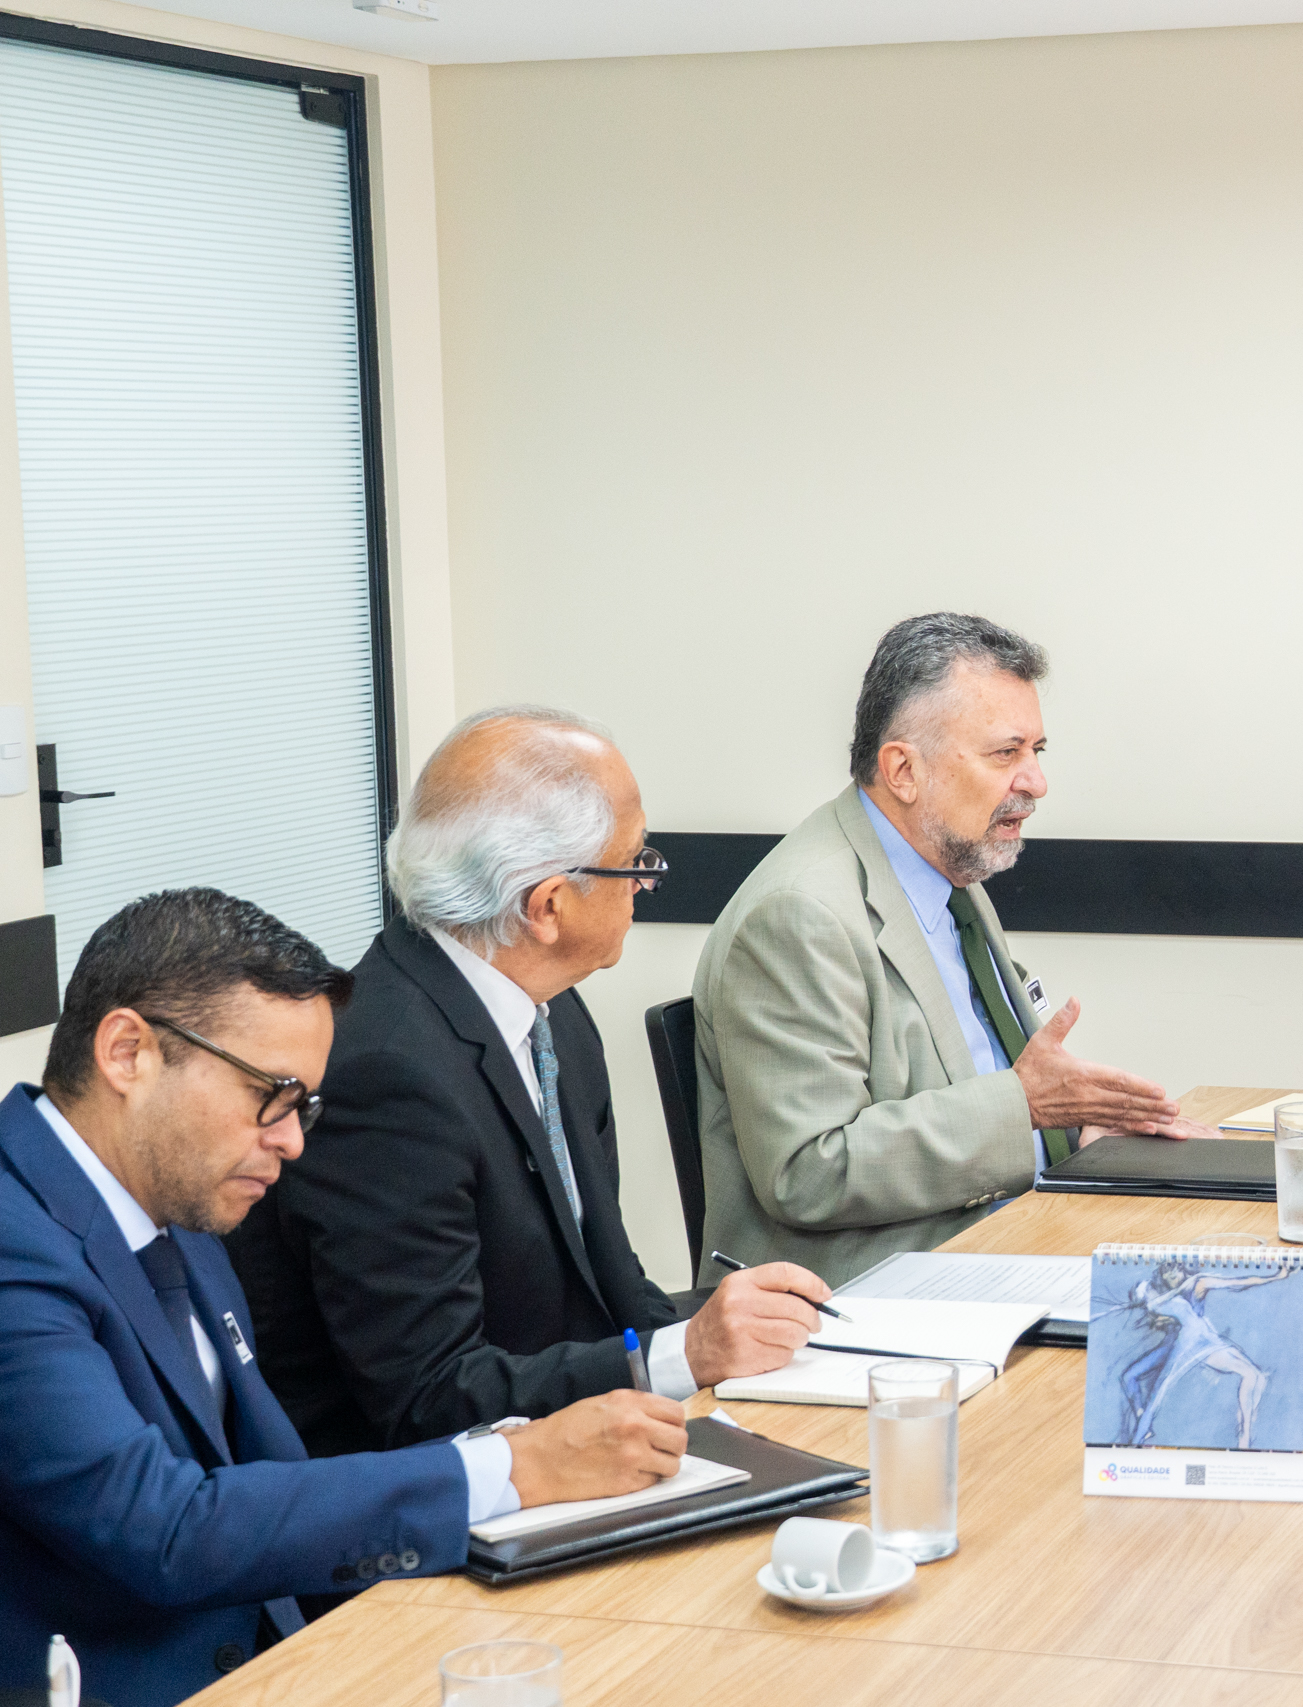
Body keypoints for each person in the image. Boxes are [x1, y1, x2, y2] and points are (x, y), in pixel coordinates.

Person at [0, 890, 685, 1707]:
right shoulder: (19, 1242)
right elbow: (168, 1528)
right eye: (273, 1095)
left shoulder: (178, 1198)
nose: (292, 1140)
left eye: (306, 1107)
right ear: (127, 1052)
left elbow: (271, 1473)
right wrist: (510, 1467)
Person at [226, 709, 828, 1455]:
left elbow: (613, 1285)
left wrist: (725, 1332)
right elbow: (429, 1395)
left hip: (574, 1443)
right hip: (434, 1510)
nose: (646, 882)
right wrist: (681, 1355)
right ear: (546, 906)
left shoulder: (555, 1012)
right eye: (635, 860)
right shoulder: (385, 1072)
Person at [693, 613, 1201, 1283]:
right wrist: (1028, 1107)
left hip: (1004, 1238)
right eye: (1005, 753)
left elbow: (988, 1087)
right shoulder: (800, 914)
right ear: (903, 769)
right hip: (868, 1294)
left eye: (1037, 751)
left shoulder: (950, 873)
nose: (1036, 782)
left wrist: (1085, 1131)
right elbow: (809, 1169)